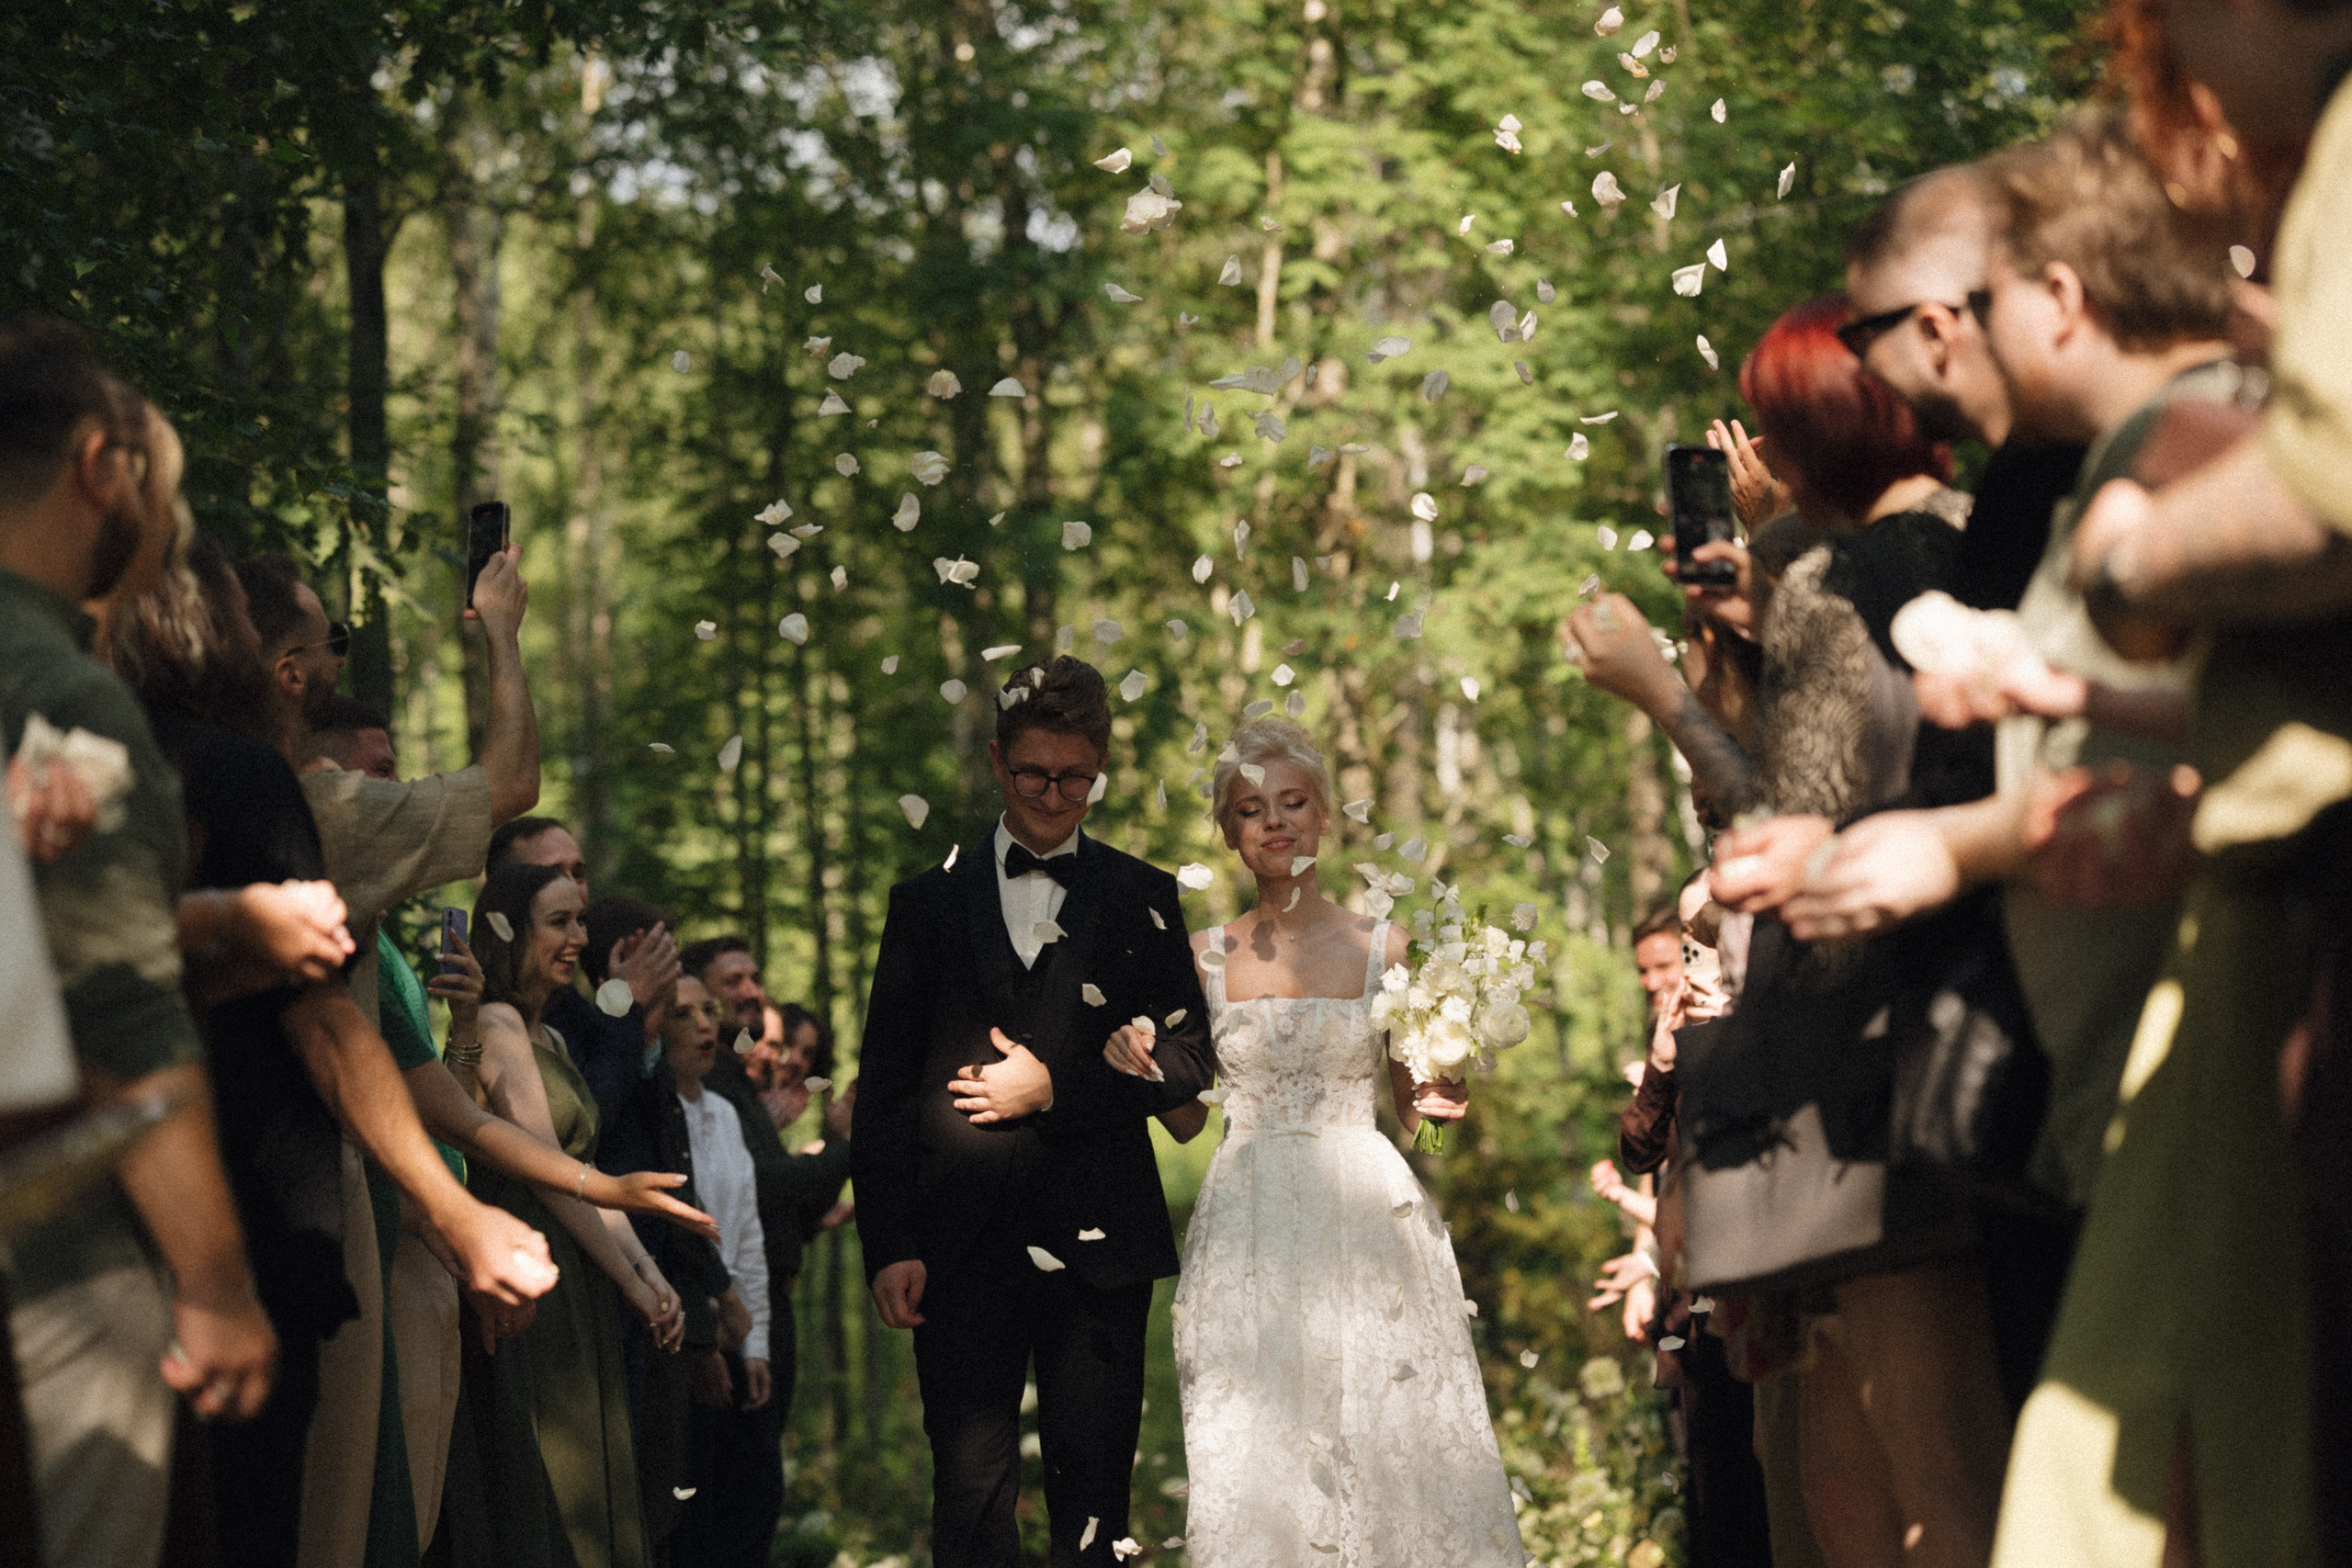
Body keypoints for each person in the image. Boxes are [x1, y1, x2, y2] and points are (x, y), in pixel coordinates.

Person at [1990, 4, 2352, 1562]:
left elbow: (2333, 494)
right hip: (2260, 891)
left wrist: (2136, 557)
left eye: (2157, 29)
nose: (2158, 78)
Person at [1569, 294, 2012, 1568]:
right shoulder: (1956, 543)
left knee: (1887, 1471)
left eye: (1771, 427)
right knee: (1852, 1458)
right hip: (1884, 1038)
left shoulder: (1869, 568)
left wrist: (1658, 686)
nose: (1755, 454)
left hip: (1859, 1057)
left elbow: (1775, 823)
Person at [1104, 717, 1520, 1566]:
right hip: (1248, 1216)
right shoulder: (1200, 959)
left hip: (1367, 1212)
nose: (1275, 822)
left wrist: (1446, 1093)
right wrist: (1135, 1065)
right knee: (1256, 1443)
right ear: (1229, 832)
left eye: (1292, 802)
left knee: (1385, 1434)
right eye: (1251, 809)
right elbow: (1189, 1116)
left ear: (1325, 815)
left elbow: (1418, 1113)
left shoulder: (1386, 949)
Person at [0, 321, 278, 1568]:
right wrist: (216, 1281)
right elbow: (118, 1014)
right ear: (99, 466)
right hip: (54, 1265)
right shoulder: (56, 693)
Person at [852, 656, 1214, 1568]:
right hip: (956, 1244)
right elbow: (885, 1088)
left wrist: (1057, 1086)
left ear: (1099, 770)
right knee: (969, 1493)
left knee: (1093, 1500)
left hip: (1101, 1241)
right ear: (995, 761)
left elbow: (1188, 1062)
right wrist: (890, 1241)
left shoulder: (1143, 898)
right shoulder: (924, 904)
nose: (1054, 795)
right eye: (1033, 774)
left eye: (1074, 778)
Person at [237, 544, 548, 1568]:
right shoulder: (313, 811)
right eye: (333, 641)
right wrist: (501, 626)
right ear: (290, 674)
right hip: (305, 1209)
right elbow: (511, 783)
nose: (341, 655)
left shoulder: (147, 769)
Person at [448, 863, 687, 1568]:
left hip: (577, 1274)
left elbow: (589, 1178)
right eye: (559, 921)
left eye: (580, 920)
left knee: (597, 1478)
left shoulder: (549, 1036)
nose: (579, 937)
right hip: (534, 1278)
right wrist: (633, 1281)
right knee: (548, 1488)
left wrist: (648, 1271)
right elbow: (551, 1175)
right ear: (509, 930)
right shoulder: (493, 1022)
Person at [1839, 164, 2090, 615]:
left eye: (1861, 337)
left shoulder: (2043, 490)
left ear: (1934, 332)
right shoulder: (2032, 475)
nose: (1861, 368)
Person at [662, 973, 775, 1568]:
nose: (706, 1025)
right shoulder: (650, 1113)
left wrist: (756, 1344)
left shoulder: (727, 1113)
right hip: (683, 1336)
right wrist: (703, 1334)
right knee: (690, 1515)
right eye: (685, 1013)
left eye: (709, 1010)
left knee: (754, 1500)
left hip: (736, 1334)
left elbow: (748, 1236)